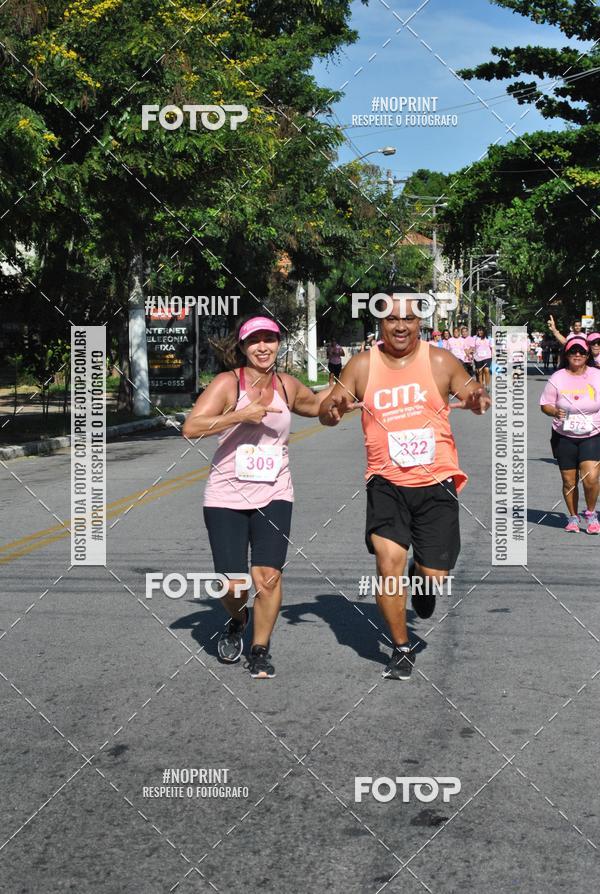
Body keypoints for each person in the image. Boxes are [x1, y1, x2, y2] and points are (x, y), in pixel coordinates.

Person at [319, 289, 491, 681]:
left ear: (420, 323)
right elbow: (330, 412)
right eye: (392, 319)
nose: (400, 325)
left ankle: (423, 576)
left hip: (435, 482)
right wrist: (333, 410)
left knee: (434, 576)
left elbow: (474, 396)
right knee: (387, 564)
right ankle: (400, 647)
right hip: (386, 481)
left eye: (408, 319)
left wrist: (480, 400)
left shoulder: (440, 360)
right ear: (380, 323)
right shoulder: (362, 366)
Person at [183, 315, 334, 678]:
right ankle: (238, 618)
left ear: (279, 344)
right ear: (243, 346)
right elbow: (191, 427)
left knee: (267, 577)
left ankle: (260, 648)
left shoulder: (286, 385)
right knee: (232, 584)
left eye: (270, 339)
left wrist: (346, 388)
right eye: (255, 341)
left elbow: (316, 407)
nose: (263, 347)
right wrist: (239, 414)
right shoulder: (227, 383)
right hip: (225, 497)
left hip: (275, 493)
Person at [539, 334, 600, 534]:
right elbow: (545, 405)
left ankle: (591, 514)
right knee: (569, 481)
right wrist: (554, 411)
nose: (577, 354)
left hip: (592, 433)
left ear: (587, 354)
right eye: (573, 351)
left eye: (581, 351)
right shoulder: (558, 377)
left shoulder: (596, 375)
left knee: (591, 477)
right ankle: (573, 517)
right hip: (563, 435)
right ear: (566, 354)